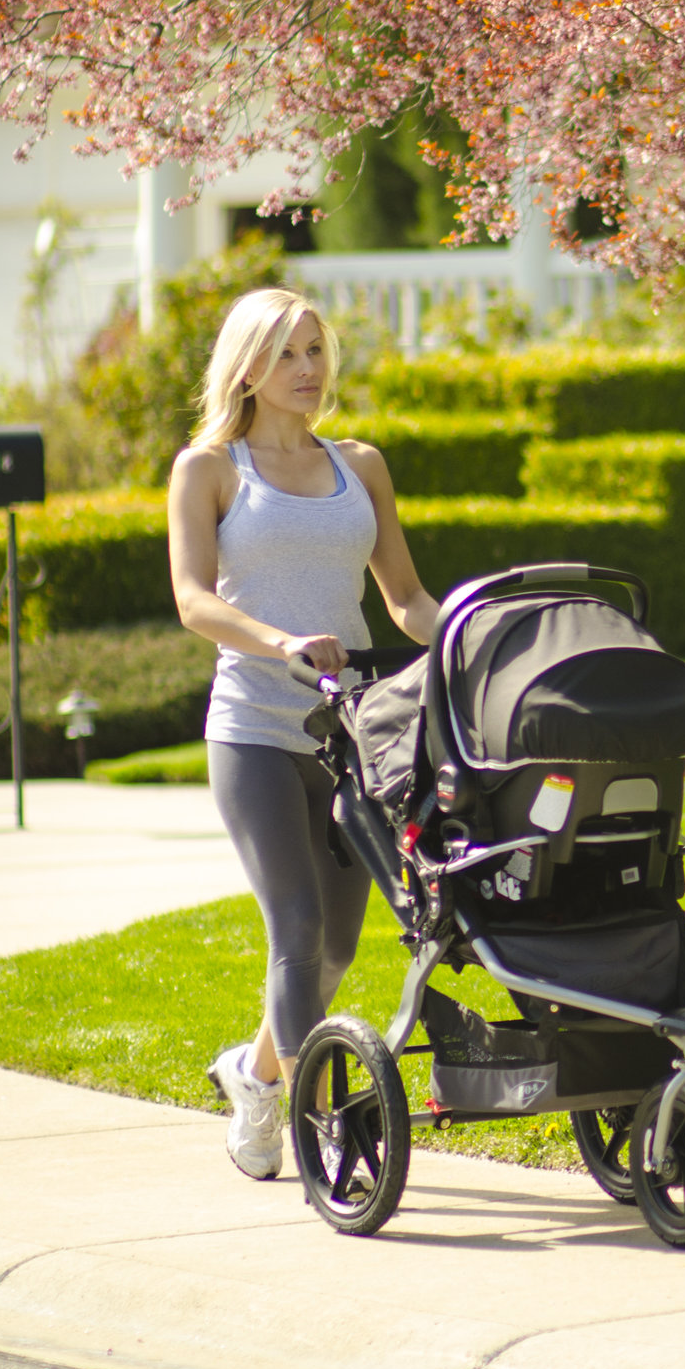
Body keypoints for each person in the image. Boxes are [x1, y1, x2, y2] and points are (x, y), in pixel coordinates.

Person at [167, 289, 440, 1179]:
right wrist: (281, 640)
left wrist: (478, 633)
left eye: (318, 351)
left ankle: (251, 1072)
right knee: (294, 927)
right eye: (289, 354)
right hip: (254, 727)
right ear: (248, 365)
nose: (310, 370)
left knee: (336, 948)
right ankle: (312, 1126)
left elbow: (403, 599)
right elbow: (194, 600)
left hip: (353, 732)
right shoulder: (208, 469)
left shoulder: (360, 464)